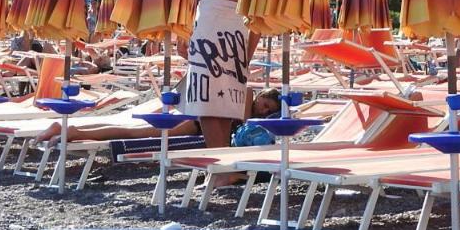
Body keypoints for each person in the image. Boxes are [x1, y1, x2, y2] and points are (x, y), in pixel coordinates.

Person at [182, 0, 256, 150]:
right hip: (239, 34)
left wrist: (181, 35)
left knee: (205, 102)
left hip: (208, 29)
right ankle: (224, 162)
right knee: (227, 102)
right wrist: (248, 54)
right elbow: (259, 20)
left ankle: (220, 165)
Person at [37, 89, 281, 144]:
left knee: (132, 129)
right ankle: (75, 133)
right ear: (261, 96)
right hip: (195, 124)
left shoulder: (245, 101)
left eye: (269, 110)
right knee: (135, 134)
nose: (265, 110)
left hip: (192, 117)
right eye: (266, 104)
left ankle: (65, 127)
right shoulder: (245, 95)